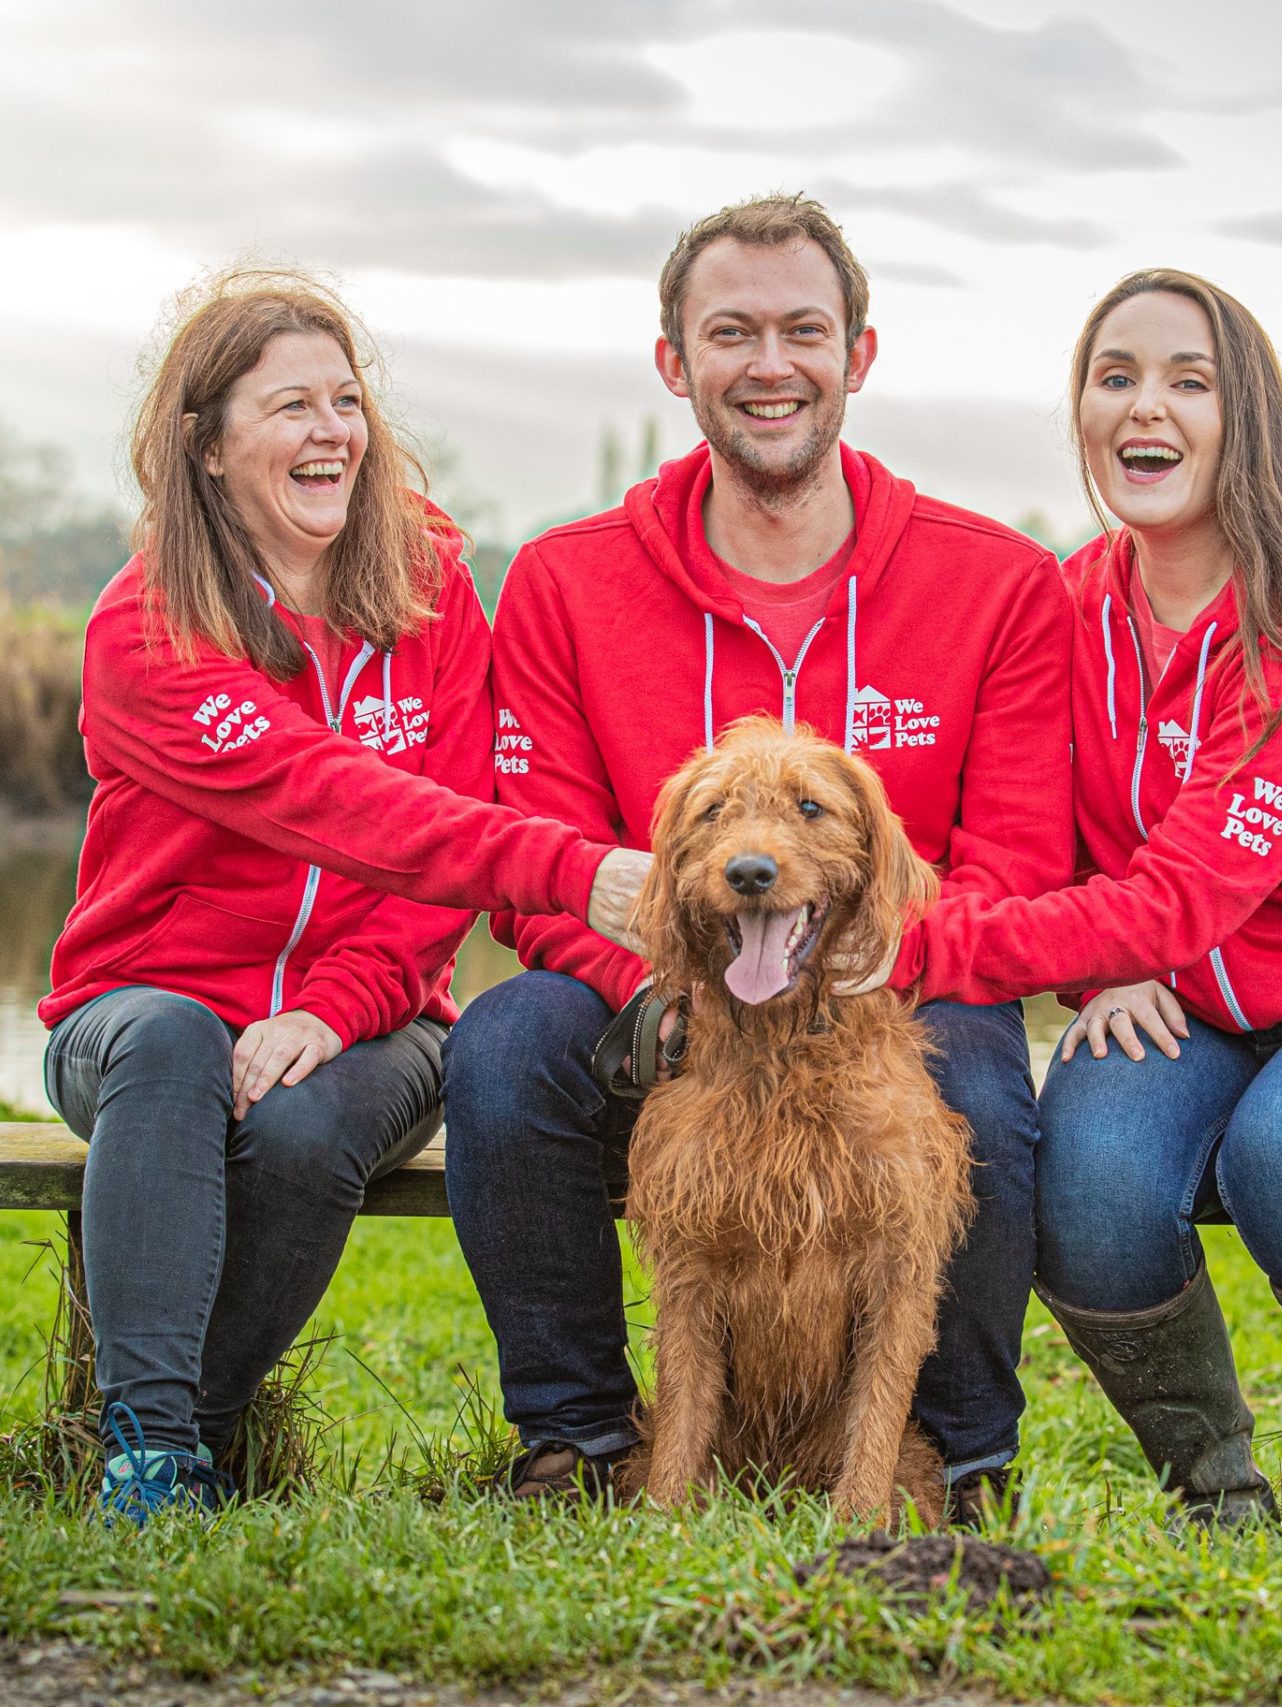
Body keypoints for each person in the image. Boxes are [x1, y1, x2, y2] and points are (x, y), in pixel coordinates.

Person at [441, 194, 1074, 1523]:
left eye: (804, 329)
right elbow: (541, 861)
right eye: (731, 331)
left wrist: (863, 965)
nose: (769, 362)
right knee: (504, 1041)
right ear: (676, 361)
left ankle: (953, 1459)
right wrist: (668, 988)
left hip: (896, 985)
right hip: (660, 987)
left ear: (861, 353)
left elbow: (1016, 858)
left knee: (980, 1076)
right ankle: (573, 1441)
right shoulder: (565, 580)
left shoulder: (998, 580)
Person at [883, 270, 1282, 1525]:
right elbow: (1042, 842)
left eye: (1191, 382)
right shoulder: (1060, 610)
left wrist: (911, 949)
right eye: (1114, 375)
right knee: (1086, 1173)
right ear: (1081, 411)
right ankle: (1218, 1499)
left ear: (1250, 421)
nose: (1147, 408)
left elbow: (1181, 894)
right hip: (1193, 1008)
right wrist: (1098, 967)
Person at [39, 267, 647, 1523]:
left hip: (378, 1017)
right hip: (137, 1010)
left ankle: (193, 1440)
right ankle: (148, 1458)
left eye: (344, 400)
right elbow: (336, 801)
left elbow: (444, 842)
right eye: (288, 409)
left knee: (306, 1128)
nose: (331, 433)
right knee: (168, 1046)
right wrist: (577, 872)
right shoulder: (146, 631)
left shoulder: (428, 588)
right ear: (205, 450)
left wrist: (335, 1004)